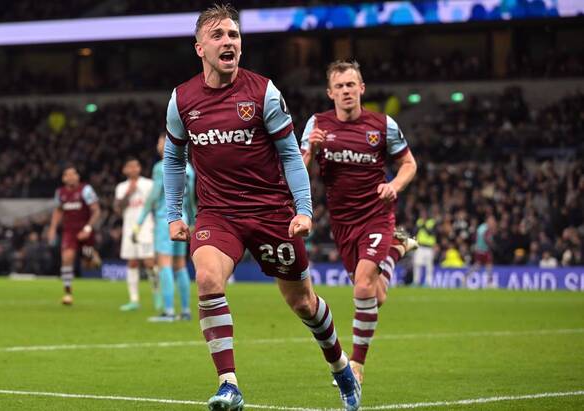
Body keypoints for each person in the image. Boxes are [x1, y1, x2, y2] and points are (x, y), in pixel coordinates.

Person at [163, 5, 360, 410]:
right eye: (218, 35)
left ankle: (340, 365)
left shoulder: (262, 92)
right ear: (200, 48)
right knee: (207, 279)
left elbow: (289, 154)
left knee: (303, 303)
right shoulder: (182, 99)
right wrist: (174, 214)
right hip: (218, 214)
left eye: (234, 35)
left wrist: (303, 209)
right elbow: (173, 159)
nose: (229, 42)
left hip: (271, 213)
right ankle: (228, 384)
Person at [301, 60, 418, 386]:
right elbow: (297, 169)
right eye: (339, 86)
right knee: (375, 296)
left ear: (361, 89)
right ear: (330, 93)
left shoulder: (382, 125)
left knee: (364, 286)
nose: (346, 91)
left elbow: (409, 163)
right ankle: (396, 249)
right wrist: (312, 149)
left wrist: (394, 185)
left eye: (351, 85)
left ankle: (356, 364)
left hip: (376, 215)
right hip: (342, 222)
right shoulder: (317, 124)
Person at [134, 133, 197, 322]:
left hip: (166, 219)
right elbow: (191, 199)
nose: (158, 145)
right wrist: (193, 221)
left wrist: (139, 222)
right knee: (180, 264)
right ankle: (185, 310)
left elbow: (153, 196)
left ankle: (168, 312)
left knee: (164, 263)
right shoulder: (189, 168)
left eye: (160, 141)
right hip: (184, 219)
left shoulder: (160, 167)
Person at [47, 166, 101, 305]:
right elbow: (58, 211)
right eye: (68, 175)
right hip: (69, 231)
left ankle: (92, 256)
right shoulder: (60, 193)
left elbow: (96, 211)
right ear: (63, 178)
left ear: (78, 176)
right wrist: (52, 228)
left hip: (86, 230)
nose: (71, 177)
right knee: (67, 258)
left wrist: (88, 228)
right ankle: (67, 292)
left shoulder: (86, 190)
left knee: (88, 263)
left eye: (73, 174)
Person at [114, 157, 158, 311]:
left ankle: (157, 295)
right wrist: (129, 193)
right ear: (124, 170)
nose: (133, 169)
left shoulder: (149, 184)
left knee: (149, 262)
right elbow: (118, 209)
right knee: (132, 262)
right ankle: (134, 300)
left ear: (140, 168)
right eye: (130, 166)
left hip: (146, 227)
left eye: (136, 166)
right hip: (129, 228)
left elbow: (156, 204)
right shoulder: (121, 187)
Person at [466, 215, 496, 287]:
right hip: (482, 250)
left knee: (486, 266)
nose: (492, 222)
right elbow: (486, 238)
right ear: (488, 221)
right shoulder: (485, 229)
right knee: (481, 266)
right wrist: (492, 244)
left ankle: (489, 282)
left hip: (482, 250)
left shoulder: (482, 227)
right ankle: (489, 283)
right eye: (491, 221)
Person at [413, 209, 437, 286]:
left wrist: (424, 226)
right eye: (422, 214)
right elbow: (414, 231)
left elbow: (431, 233)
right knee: (417, 264)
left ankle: (428, 282)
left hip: (429, 247)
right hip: (420, 246)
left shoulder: (431, 222)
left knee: (429, 266)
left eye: (424, 214)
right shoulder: (419, 221)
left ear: (427, 214)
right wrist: (420, 226)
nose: (423, 215)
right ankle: (416, 281)